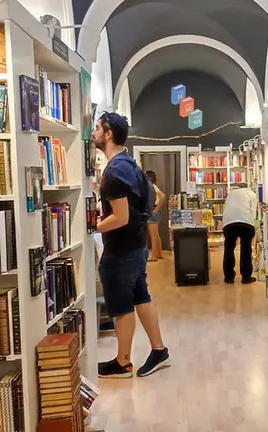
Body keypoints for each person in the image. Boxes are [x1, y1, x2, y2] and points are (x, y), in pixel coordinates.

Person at [93, 112, 170, 379]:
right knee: (141, 296)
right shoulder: (131, 165)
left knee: (122, 306)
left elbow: (120, 217)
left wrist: (92, 227)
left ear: (108, 134)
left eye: (97, 128)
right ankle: (159, 350)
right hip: (137, 245)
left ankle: (123, 362)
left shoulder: (114, 172)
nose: (93, 133)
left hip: (121, 250)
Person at [221, 186, 258, 284]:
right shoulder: (252, 194)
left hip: (228, 223)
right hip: (245, 222)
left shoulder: (230, 195)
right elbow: (253, 213)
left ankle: (228, 277)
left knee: (229, 248)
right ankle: (246, 277)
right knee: (246, 248)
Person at [145, 170, 166, 262]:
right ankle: (159, 253)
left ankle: (153, 256)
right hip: (155, 211)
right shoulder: (153, 186)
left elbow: (163, 196)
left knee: (153, 235)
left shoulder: (152, 186)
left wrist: (156, 209)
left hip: (153, 211)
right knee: (156, 235)